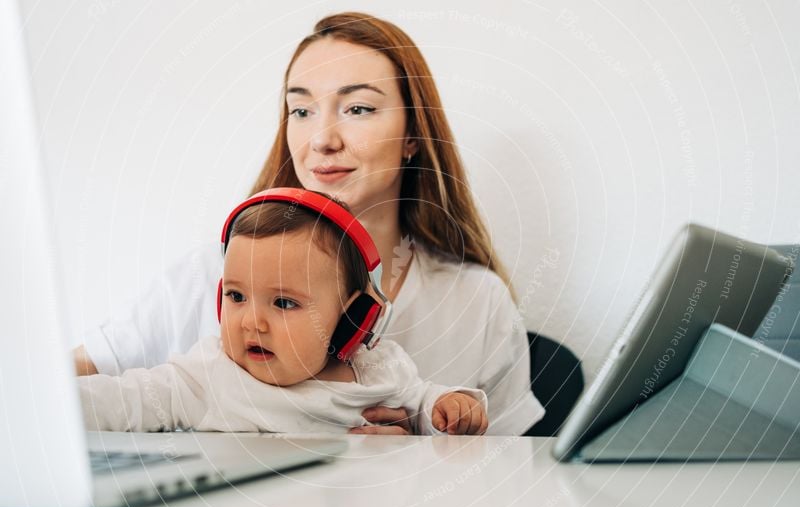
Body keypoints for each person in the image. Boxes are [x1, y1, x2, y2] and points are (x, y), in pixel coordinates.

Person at [74, 12, 544, 436]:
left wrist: (420, 459)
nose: (321, 139)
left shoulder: (478, 302)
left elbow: (511, 477)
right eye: (301, 110)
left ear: (412, 137)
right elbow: (60, 390)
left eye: (358, 108)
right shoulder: (204, 275)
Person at [80, 194, 488, 435]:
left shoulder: (379, 371)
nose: (250, 322)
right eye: (237, 296)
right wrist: (56, 405)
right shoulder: (208, 375)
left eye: (283, 303)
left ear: (352, 320)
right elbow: (125, 399)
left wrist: (447, 406)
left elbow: (421, 402)